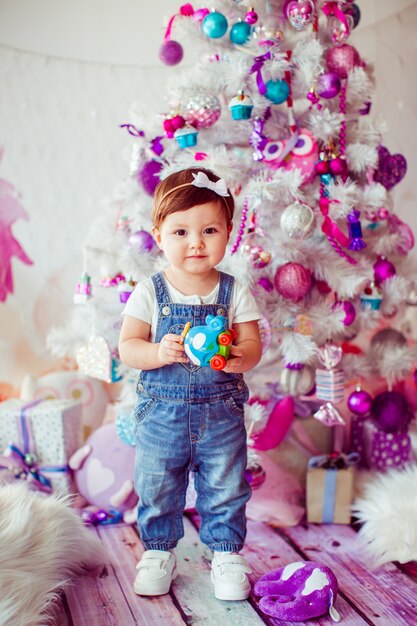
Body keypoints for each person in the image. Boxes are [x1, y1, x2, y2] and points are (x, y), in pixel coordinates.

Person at [119, 167, 262, 601]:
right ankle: (158, 551)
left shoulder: (233, 291)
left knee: (226, 484)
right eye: (180, 231)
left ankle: (226, 554)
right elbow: (127, 346)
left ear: (229, 234)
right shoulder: (151, 290)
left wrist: (241, 356)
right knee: (157, 483)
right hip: (161, 413)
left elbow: (254, 343)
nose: (196, 242)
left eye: (209, 230)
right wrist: (159, 352)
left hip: (221, 413)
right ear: (158, 235)